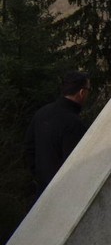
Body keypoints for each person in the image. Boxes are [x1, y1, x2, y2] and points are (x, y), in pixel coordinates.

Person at [25, 71, 91, 199]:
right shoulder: (74, 123)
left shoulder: (41, 113)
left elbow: (29, 148)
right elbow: (77, 163)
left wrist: (39, 175)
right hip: (64, 195)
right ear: (82, 92)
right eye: (89, 89)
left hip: (42, 191)